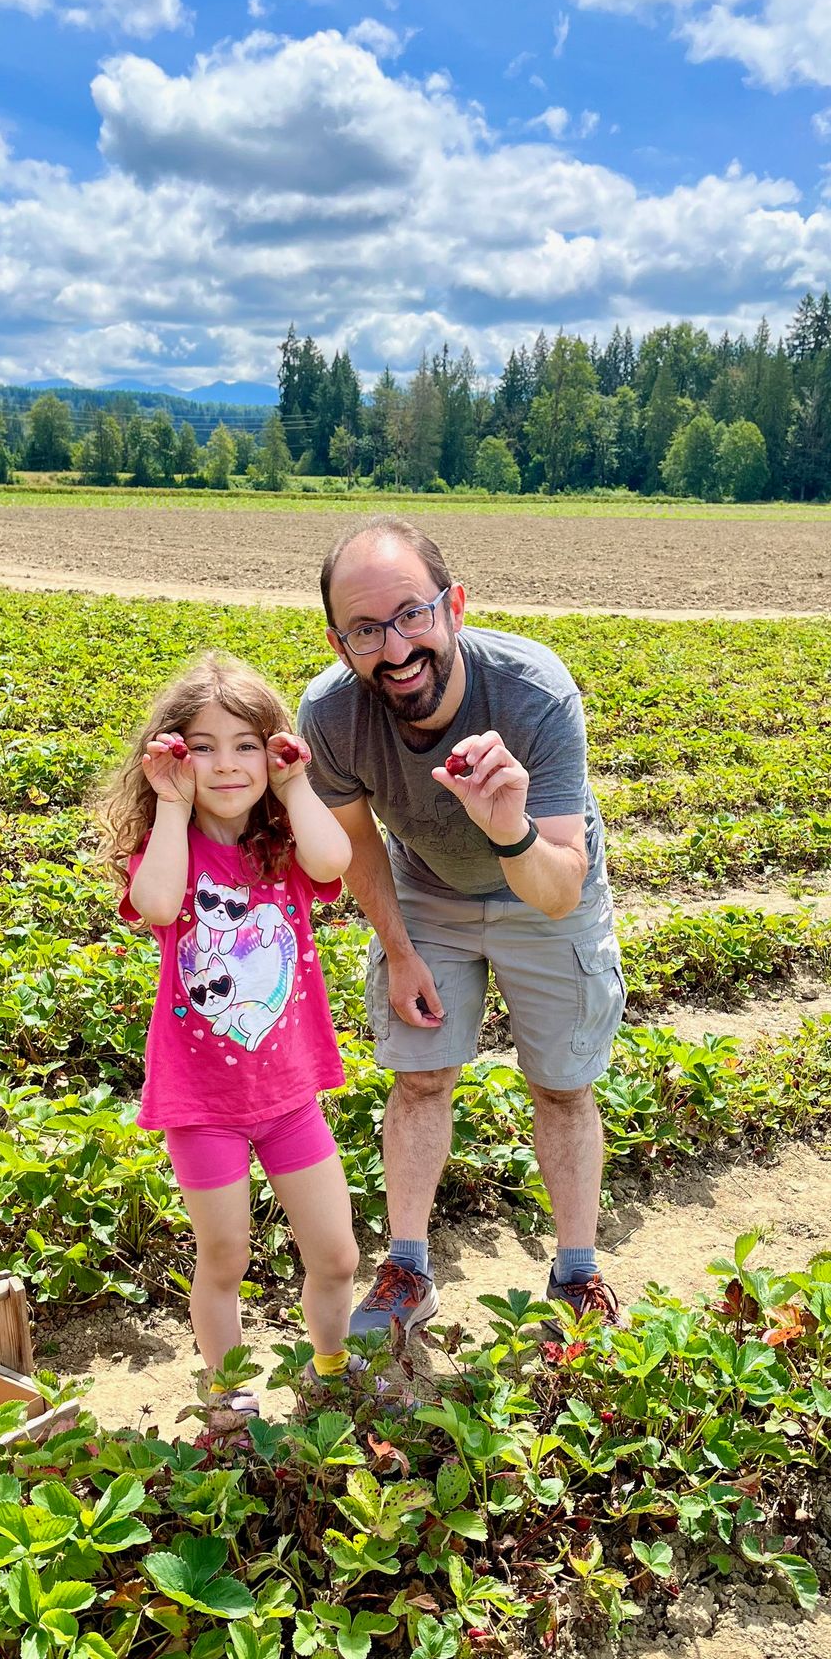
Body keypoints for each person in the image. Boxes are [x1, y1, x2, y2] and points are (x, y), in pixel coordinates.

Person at [297, 515, 626, 1341]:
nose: (396, 647)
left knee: (562, 1085)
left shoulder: (533, 692)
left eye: (411, 615)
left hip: (543, 883)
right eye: (367, 629)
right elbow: (359, 848)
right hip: (428, 891)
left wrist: (506, 825)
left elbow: (556, 888)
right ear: (340, 644)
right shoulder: (332, 717)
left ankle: (577, 1271)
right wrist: (401, 951)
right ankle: (408, 1266)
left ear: (454, 608)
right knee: (421, 1078)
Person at [95, 651, 358, 1432]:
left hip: (288, 1095)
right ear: (172, 757)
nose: (227, 763)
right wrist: (172, 809)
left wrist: (296, 782)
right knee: (226, 1259)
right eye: (202, 746)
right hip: (201, 1102)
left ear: (273, 751)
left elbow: (335, 858)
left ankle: (333, 1370)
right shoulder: (168, 849)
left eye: (247, 744)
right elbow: (156, 901)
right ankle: (226, 1392)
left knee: (338, 1256)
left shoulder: (284, 845)